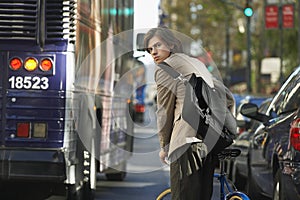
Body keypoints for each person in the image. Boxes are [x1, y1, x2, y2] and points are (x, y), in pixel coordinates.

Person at [144, 27, 235, 200]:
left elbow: (164, 112)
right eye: (150, 49)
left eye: (157, 45)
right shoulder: (196, 64)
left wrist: (164, 146)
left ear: (171, 44)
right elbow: (228, 98)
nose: (154, 52)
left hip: (185, 145)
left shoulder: (164, 69)